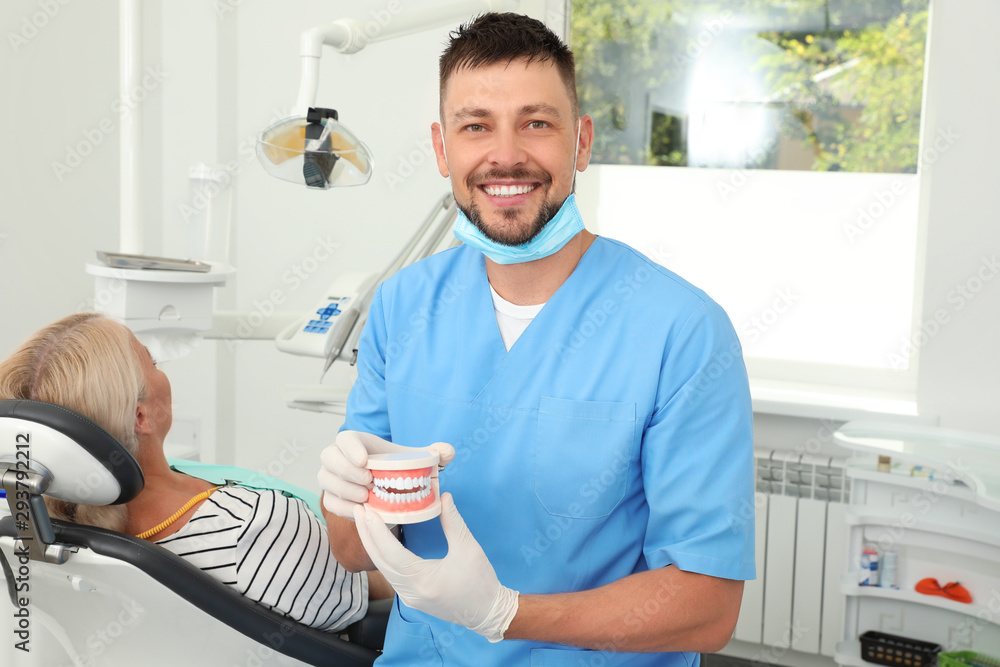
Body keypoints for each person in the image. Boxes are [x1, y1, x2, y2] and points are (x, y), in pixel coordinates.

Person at [318, 11, 755, 665]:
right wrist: (344, 496)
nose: (506, 154)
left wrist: (503, 614)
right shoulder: (402, 304)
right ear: (442, 149)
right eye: (476, 127)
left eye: (536, 123)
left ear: (580, 141)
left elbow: (707, 607)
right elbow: (353, 551)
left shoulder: (682, 330)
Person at [0, 312, 393, 633]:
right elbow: (376, 588)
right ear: (141, 416)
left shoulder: (30, 533)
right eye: (151, 361)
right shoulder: (251, 529)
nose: (161, 369)